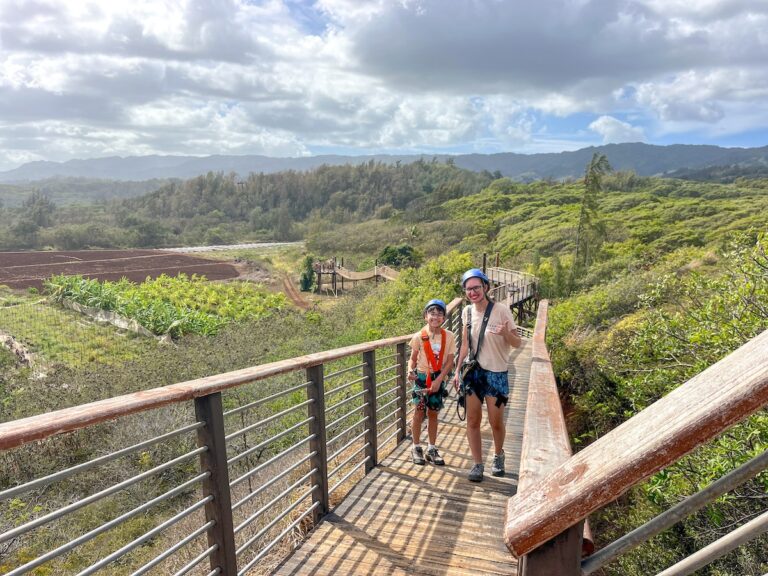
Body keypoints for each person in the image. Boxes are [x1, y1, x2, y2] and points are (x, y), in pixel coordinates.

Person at [453, 268, 522, 482]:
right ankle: (477, 463)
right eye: (468, 289)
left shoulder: (501, 311)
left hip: (496, 374)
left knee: (496, 421)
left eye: (476, 287)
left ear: (485, 287)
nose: (472, 292)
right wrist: (456, 371)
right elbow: (465, 345)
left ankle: (498, 455)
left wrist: (505, 333)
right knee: (472, 420)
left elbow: (517, 343)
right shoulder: (466, 312)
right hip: (474, 374)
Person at [407, 299, 456, 466]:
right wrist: (410, 370)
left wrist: (439, 379)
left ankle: (431, 448)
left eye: (439, 314)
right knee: (418, 412)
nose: (435, 317)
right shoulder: (418, 336)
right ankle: (416, 447)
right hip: (421, 378)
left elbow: (450, 361)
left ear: (444, 317)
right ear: (425, 316)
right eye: (432, 314)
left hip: (438, 377)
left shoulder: (449, 336)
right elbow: (412, 359)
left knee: (433, 413)